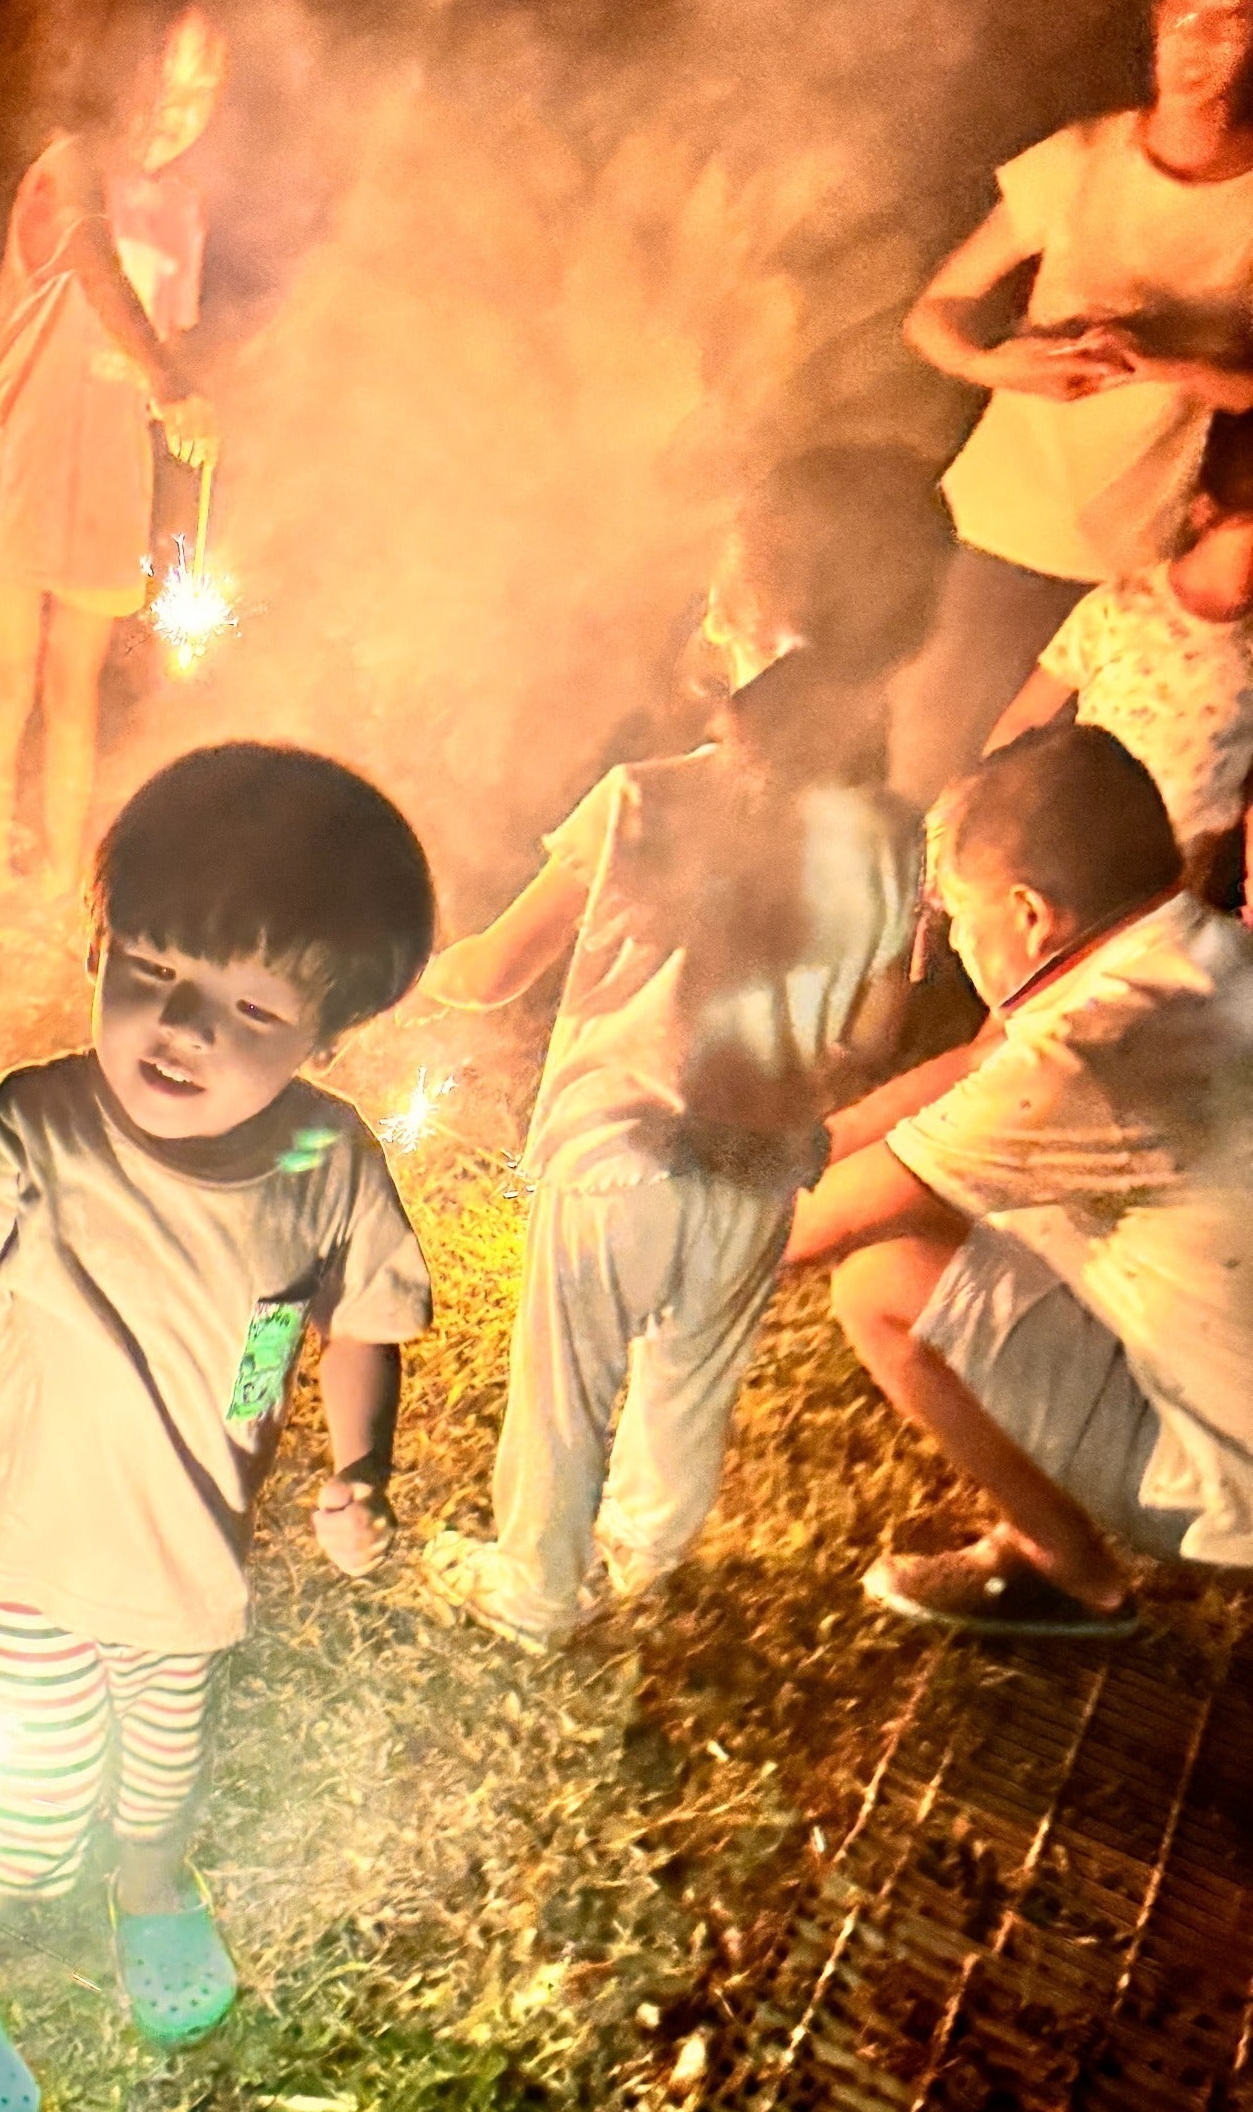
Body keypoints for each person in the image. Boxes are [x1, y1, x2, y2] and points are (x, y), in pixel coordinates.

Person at [0, 745, 434, 2112]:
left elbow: (353, 1325)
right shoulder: (30, 1136)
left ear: (324, 1033)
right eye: (151, 968)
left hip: (191, 1559)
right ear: (98, 945)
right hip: (26, 1556)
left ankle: (150, 1891)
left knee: (164, 1771)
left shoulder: (325, 1162)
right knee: (23, 1810)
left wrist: (359, 1467)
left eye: (252, 1007)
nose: (182, 1028)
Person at [408, 453, 942, 1652]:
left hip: (621, 1151)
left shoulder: (641, 801)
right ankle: (644, 1552)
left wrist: (417, 958)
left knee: (566, 1387)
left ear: (749, 612)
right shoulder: (899, 838)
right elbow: (874, 1030)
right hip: (761, 1166)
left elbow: (490, 973)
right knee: (689, 1376)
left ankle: (536, 1584)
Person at [786, 723, 1253, 1636]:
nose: (956, 942)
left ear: (1031, 914)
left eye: (960, 914)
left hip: (1225, 1482)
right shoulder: (1195, 951)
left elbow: (802, 1233)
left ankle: (1066, 1570)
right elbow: (976, 1065)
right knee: (995, 1216)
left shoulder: (1095, 1052)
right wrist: (807, 1145)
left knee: (881, 1280)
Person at [894, 0, 1253, 809]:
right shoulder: (1081, 159)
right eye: (1183, 14)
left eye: (1229, 21)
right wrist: (994, 364)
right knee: (929, 776)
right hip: (997, 527)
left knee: (1062, 814)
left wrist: (1169, 364)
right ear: (1156, 21)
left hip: (1134, 565)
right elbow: (932, 313)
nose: (1196, 42)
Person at [0, 0, 228, 900]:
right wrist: (166, 380)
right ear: (119, 63)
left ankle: (61, 874)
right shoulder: (69, 167)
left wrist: (185, 402)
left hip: (111, 466)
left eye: (200, 88)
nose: (174, 105)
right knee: (10, 666)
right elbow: (87, 254)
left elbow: (171, 342)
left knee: (74, 678)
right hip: (28, 447)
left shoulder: (182, 213)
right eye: (161, 73)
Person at [983, 403, 1253, 897]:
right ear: (1205, 512)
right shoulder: (1123, 607)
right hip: (1084, 847)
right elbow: (1027, 717)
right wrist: (985, 813)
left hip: (1178, 878)